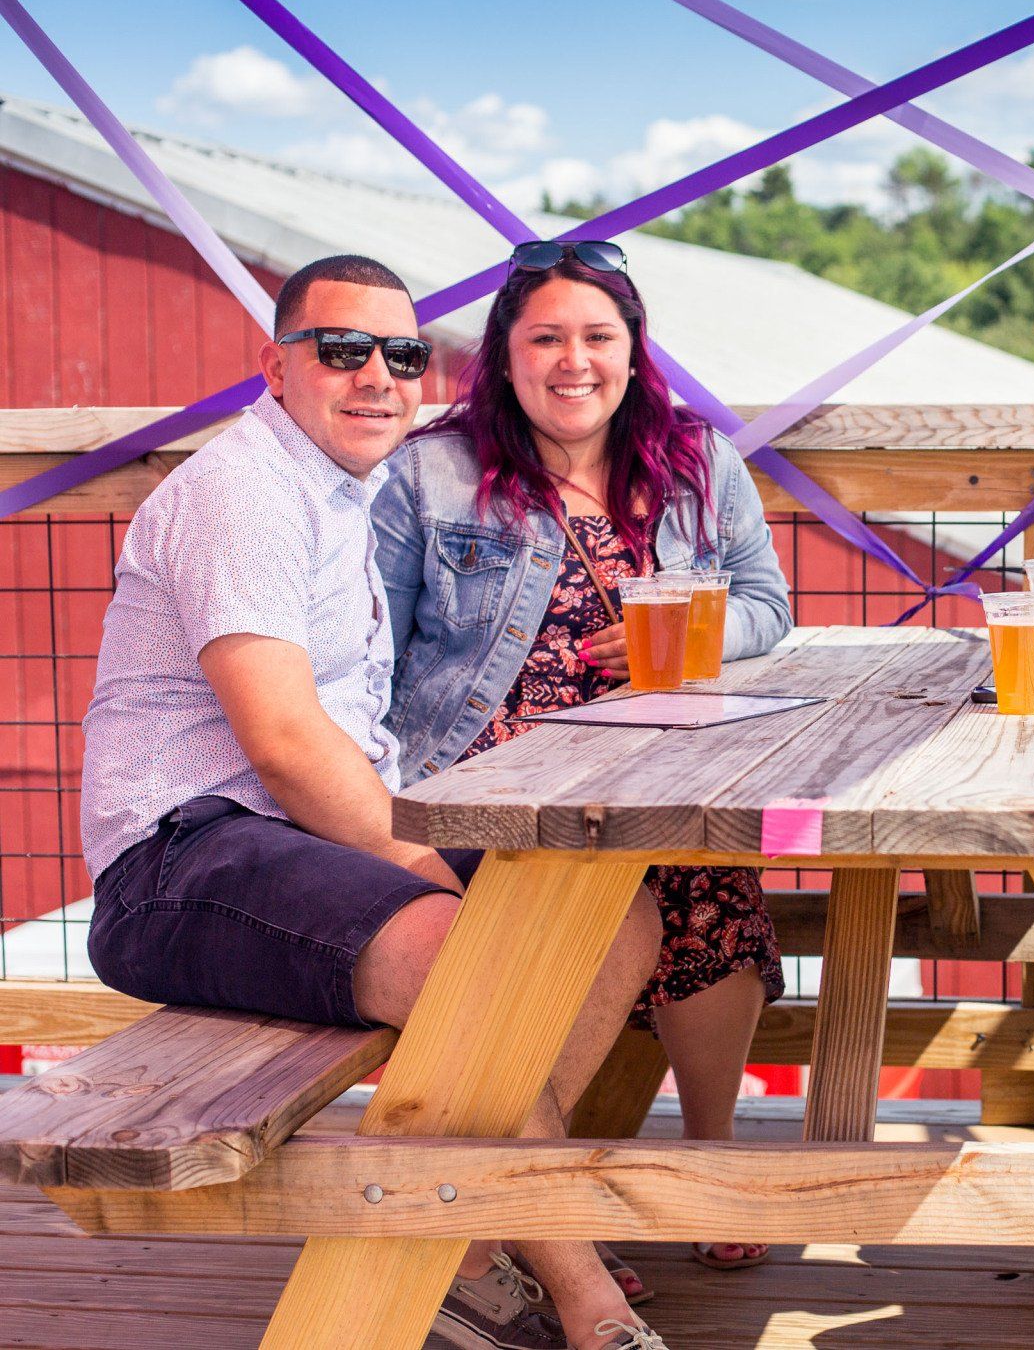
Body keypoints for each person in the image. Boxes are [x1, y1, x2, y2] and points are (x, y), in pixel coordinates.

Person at [80, 255, 667, 1350]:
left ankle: (473, 1253)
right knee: (460, 943)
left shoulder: (343, 488)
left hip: (297, 843)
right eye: (342, 349)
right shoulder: (244, 491)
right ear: (277, 366)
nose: (377, 377)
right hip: (180, 855)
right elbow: (290, 748)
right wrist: (424, 865)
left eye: (401, 355)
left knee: (610, 915)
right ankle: (590, 1299)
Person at [372, 239, 795, 1298]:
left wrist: (704, 632)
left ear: (633, 349)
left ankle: (707, 1154)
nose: (574, 360)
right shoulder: (433, 468)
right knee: (611, 898)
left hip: (658, 762)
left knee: (710, 875)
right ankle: (529, 1207)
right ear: (504, 357)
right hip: (490, 785)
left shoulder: (697, 457)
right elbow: (365, 644)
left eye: (597, 336)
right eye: (546, 337)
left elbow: (769, 603)